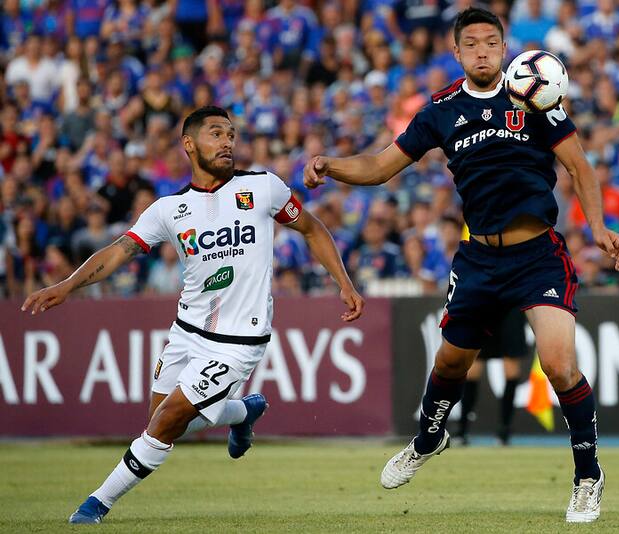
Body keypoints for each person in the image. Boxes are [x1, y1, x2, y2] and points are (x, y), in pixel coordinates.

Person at [304, 8, 619, 523]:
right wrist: (331, 165)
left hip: (538, 254)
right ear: (456, 52)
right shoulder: (440, 110)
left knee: (559, 363)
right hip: (478, 258)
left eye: (491, 42)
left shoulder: (534, 94)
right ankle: (429, 438)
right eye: (471, 43)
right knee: (451, 364)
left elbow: (580, 166)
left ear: (504, 49)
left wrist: (598, 227)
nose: (482, 50)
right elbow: (381, 166)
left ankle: (587, 476)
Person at [22, 106, 364, 524]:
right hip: (187, 331)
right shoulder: (169, 209)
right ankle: (243, 411)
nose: (227, 142)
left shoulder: (263, 188)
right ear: (189, 144)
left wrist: (343, 282)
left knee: (165, 423)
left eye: (231, 134)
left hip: (239, 341)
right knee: (158, 421)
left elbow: (311, 228)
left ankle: (96, 504)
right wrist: (67, 285)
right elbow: (118, 251)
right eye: (216, 133)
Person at [455, 308, 528, 446]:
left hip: (510, 306)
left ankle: (504, 430)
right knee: (473, 368)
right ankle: (462, 429)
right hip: (486, 304)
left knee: (510, 369)